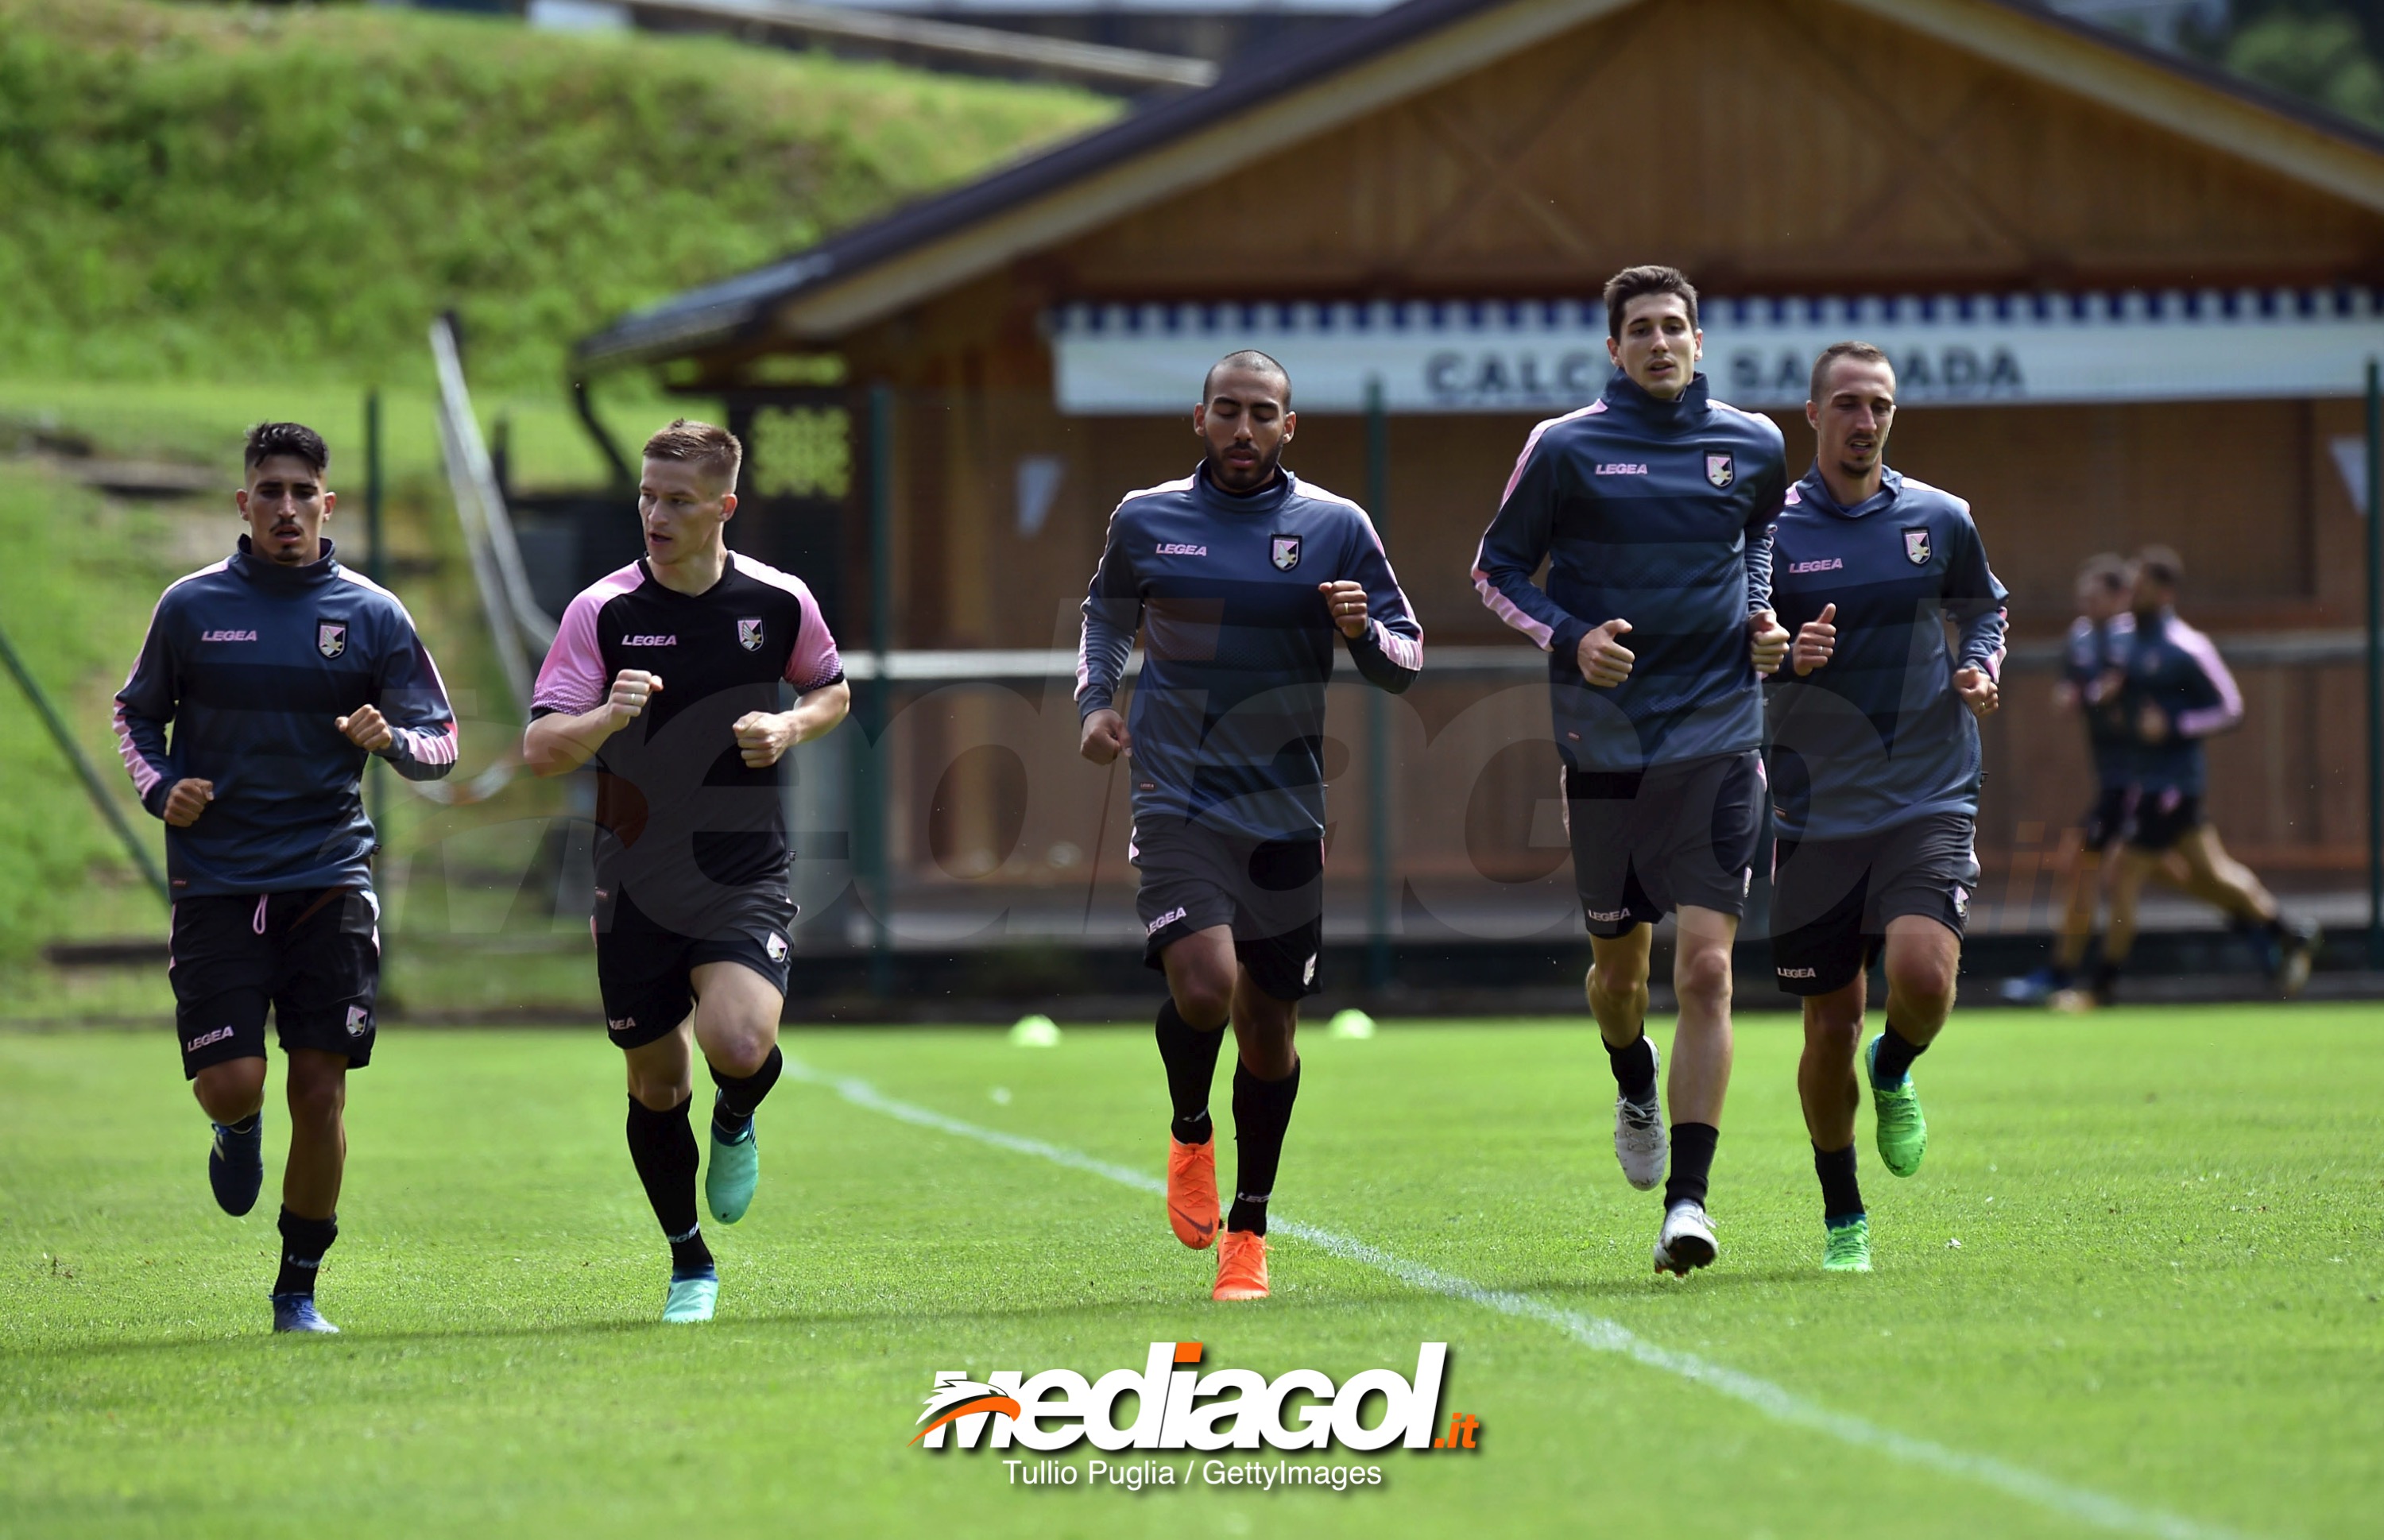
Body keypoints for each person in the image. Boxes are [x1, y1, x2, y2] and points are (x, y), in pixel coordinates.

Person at [1078, 350, 1422, 1301]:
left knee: (1269, 1030)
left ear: (1289, 427)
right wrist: (1096, 704)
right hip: (1177, 794)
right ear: (1199, 419)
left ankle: (1250, 1231)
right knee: (1204, 987)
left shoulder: (1336, 527)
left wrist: (1360, 631)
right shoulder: (1147, 518)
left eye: (1262, 413)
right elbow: (1103, 617)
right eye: (1226, 411)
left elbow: (1406, 658)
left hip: (1286, 809)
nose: (1243, 428)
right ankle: (1192, 1129)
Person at [1471, 265, 1790, 1276]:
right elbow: (1496, 572)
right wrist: (1571, 639)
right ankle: (1632, 1076)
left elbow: (1763, 541)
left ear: (1700, 341)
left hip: (1721, 733)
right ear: (1614, 350)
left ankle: (1689, 1205)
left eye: (1675, 328)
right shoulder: (1563, 447)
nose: (1660, 343)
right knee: (1621, 973)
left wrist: (1760, 617)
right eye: (1641, 330)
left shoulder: (1754, 445)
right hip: (1604, 744)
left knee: (1707, 969)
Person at [114, 420, 458, 1333]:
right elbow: (134, 717)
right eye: (271, 490)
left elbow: (443, 741)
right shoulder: (188, 609)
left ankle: (296, 1291)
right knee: (235, 1084)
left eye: (304, 492)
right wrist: (161, 790)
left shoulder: (375, 616)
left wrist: (395, 740)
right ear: (244, 503)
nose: (287, 508)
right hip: (220, 881)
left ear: (327, 504)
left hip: (330, 876)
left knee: (322, 1086)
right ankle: (234, 1125)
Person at [524, 420, 849, 1324]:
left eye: (676, 501)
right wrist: (603, 718)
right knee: (656, 1085)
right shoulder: (603, 613)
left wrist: (789, 727)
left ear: (724, 508)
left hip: (743, 868)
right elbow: (541, 747)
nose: (655, 515)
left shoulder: (779, 601)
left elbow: (833, 688)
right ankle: (688, 1264)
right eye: (646, 496)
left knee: (739, 1046)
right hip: (632, 882)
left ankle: (738, 1114)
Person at [1765, 344, 2007, 1274]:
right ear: (1814, 414)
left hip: (1929, 788)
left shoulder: (1940, 518)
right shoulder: (1770, 532)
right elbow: (1734, 650)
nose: (1867, 422)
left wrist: (1980, 665)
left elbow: (1983, 609)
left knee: (1925, 975)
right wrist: (1789, 656)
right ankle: (1843, 1219)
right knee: (1827, 1024)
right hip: (1816, 808)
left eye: (1882, 406)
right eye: (1850, 405)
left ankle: (1897, 1065)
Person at [2089, 547, 2317, 1004]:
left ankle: (2102, 988)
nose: (2132, 593)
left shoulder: (2186, 645)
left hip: (2173, 783)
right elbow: (2118, 687)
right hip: (2147, 778)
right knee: (2213, 874)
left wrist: (2174, 725)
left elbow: (2231, 708)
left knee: (2123, 873)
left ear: (2166, 591)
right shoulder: (2126, 638)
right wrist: (2110, 697)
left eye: (2143, 586)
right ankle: (2289, 932)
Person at [2002, 556, 2133, 1004]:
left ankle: (2085, 981)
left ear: (2121, 598)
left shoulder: (2139, 638)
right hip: (2114, 778)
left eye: (2095, 597)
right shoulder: (2081, 638)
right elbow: (2070, 691)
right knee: (2099, 867)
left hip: (2145, 781)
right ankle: (2271, 933)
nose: (2086, 605)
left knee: (2107, 869)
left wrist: (2101, 694)